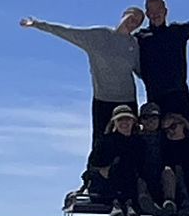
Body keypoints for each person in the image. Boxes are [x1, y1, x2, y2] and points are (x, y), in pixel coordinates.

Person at [22, 9, 143, 137]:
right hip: (103, 99)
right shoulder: (99, 36)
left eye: (138, 21)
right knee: (101, 140)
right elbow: (68, 32)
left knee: (131, 140)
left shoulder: (134, 44)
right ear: (124, 16)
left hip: (128, 100)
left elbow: (141, 71)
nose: (133, 22)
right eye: (132, 17)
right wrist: (37, 24)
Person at [83, 106, 142, 214]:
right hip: (106, 186)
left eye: (127, 119)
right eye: (120, 120)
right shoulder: (105, 142)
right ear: (114, 123)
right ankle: (116, 202)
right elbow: (95, 167)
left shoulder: (139, 143)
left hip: (131, 185)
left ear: (133, 121)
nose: (124, 123)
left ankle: (129, 202)